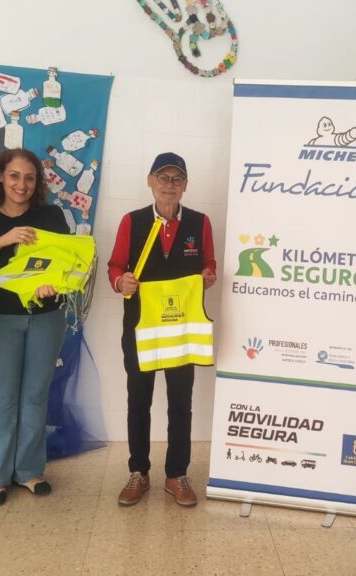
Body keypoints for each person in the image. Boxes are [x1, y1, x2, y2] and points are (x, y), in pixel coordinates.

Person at [107, 152, 216, 508]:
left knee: (181, 404)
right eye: (163, 178)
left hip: (182, 332)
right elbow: (115, 267)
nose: (170, 185)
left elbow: (209, 264)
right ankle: (138, 472)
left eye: (177, 179)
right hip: (141, 328)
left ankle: (176, 474)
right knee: (138, 401)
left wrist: (208, 277)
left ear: (185, 185)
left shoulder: (200, 223)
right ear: (150, 181)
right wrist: (120, 281)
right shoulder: (132, 221)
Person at [0, 149, 71, 506]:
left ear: (37, 182)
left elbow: (64, 262)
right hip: (0, 318)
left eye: (29, 177)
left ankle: (28, 471)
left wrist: (54, 284)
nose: (21, 184)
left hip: (46, 316)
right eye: (14, 176)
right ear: (0, 176)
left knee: (35, 395)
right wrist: (1, 241)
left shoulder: (51, 216)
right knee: (3, 397)